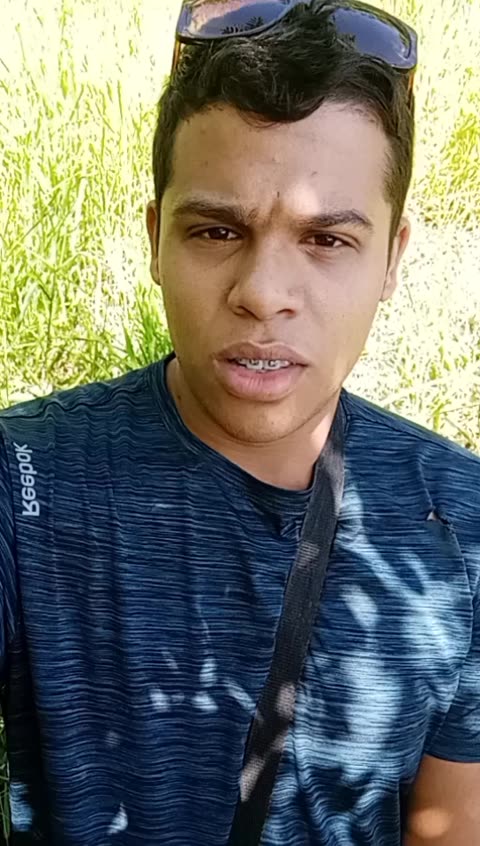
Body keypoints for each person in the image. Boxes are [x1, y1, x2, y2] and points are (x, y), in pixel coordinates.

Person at [0, 0, 479, 843]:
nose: (262, 293)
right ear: (156, 240)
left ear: (392, 260)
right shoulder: (25, 486)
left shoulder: (463, 525)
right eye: (217, 230)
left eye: (327, 240)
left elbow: (448, 827)